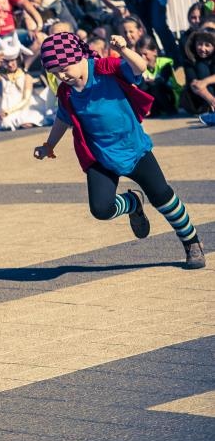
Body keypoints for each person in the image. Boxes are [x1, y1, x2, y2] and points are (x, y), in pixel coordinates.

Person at [35, 32, 205, 269]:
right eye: (55, 73)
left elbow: (140, 68)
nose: (62, 76)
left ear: (78, 57)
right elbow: (63, 118)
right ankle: (133, 203)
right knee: (101, 209)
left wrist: (124, 50)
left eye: (64, 69)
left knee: (162, 197)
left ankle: (191, 242)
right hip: (100, 157)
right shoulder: (67, 91)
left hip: (133, 149)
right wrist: (48, 145)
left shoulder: (105, 69)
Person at [0, 37, 45, 131]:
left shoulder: (26, 77)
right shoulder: (1, 76)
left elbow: (26, 99)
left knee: (27, 120)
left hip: (24, 108)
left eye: (13, 60)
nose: (10, 64)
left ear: (18, 60)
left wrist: (9, 111)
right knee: (6, 124)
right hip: (6, 111)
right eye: (7, 61)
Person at [136, 36, 179, 117]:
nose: (142, 57)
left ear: (155, 52)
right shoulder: (140, 68)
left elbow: (164, 80)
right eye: (140, 55)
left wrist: (153, 80)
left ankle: (170, 110)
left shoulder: (166, 64)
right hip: (155, 100)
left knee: (155, 85)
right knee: (142, 84)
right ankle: (151, 111)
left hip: (171, 97)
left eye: (145, 54)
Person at [183, 30, 215, 113]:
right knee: (201, 66)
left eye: (207, 45)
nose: (203, 48)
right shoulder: (189, 61)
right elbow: (194, 84)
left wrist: (205, 81)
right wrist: (212, 100)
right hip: (200, 97)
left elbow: (203, 83)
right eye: (200, 44)